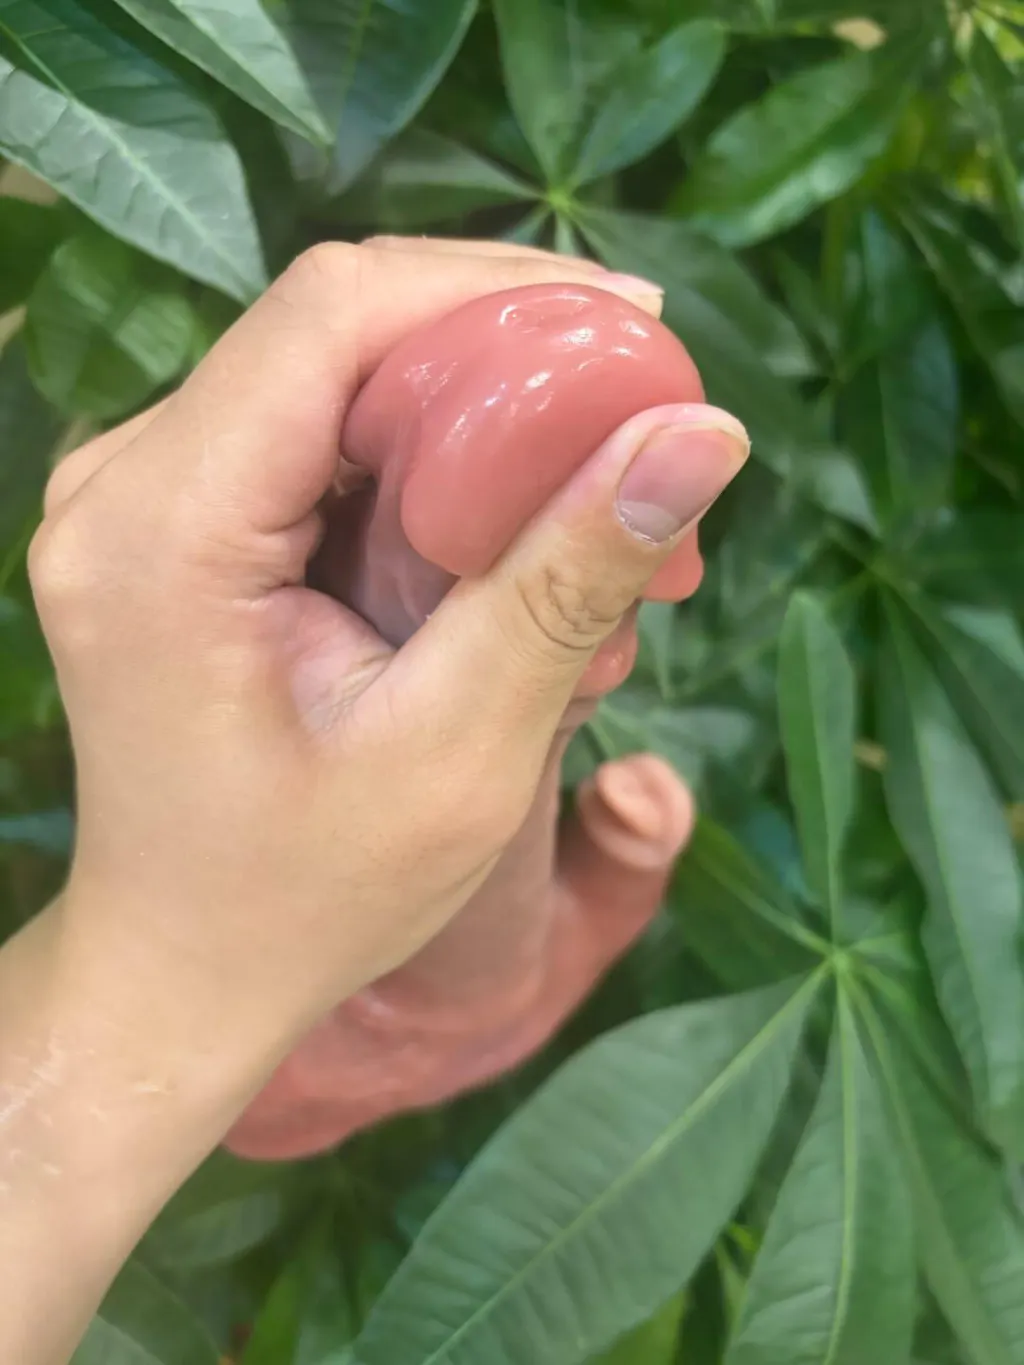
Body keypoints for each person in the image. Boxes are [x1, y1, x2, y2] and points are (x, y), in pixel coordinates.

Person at [0, 237, 748, 1363]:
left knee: (543, 908)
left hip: (317, 971)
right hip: (352, 998)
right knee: (509, 957)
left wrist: (146, 999)